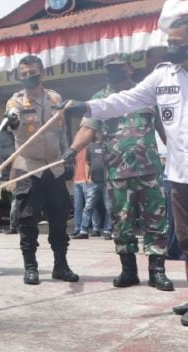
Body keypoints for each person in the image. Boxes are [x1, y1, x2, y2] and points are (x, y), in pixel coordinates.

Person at [60, 15, 188, 326]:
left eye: (178, 44)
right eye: (168, 43)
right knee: (187, 238)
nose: (171, 49)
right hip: (179, 173)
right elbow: (127, 100)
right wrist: (88, 107)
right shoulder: (163, 75)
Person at [62, 54, 173, 292]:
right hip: (118, 174)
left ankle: (157, 272)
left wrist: (177, 155)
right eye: (111, 70)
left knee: (156, 222)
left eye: (119, 69)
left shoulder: (148, 95)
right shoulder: (100, 99)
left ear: (130, 69)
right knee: (122, 224)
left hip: (150, 171)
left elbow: (165, 130)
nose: (115, 73)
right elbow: (87, 130)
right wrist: (72, 150)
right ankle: (129, 271)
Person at [5, 55, 79, 285]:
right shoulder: (15, 102)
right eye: (24, 74)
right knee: (28, 221)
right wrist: (12, 120)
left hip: (54, 167)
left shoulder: (54, 98)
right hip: (30, 168)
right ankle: (31, 267)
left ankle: (61, 265)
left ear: (42, 73)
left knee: (59, 219)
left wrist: (69, 159)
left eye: (32, 72)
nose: (28, 77)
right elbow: (13, 121)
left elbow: (62, 132)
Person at [72, 131, 113, 240]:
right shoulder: (91, 147)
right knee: (88, 206)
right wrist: (87, 177)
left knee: (109, 207)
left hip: (107, 181)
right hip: (94, 181)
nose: (99, 133)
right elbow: (87, 163)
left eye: (101, 132)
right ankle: (83, 230)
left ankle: (107, 230)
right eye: (98, 131)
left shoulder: (109, 145)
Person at [71, 147, 99, 237]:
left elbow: (93, 164)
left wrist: (90, 177)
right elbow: (75, 164)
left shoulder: (91, 148)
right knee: (77, 206)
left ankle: (96, 228)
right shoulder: (76, 150)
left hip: (86, 180)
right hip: (76, 180)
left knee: (90, 205)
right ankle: (77, 228)